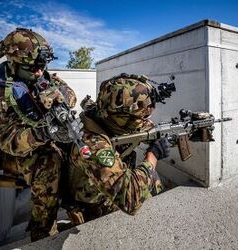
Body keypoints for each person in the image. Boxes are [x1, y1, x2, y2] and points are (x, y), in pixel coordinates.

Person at [0, 28, 76, 241]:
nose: (38, 73)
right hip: (13, 154)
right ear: (12, 62)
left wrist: (60, 98)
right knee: (49, 162)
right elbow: (4, 138)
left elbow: (70, 93)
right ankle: (43, 231)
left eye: (42, 67)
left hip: (43, 136)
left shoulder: (41, 73)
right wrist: (41, 133)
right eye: (31, 68)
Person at [67, 73, 170, 224]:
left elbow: (144, 126)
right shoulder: (92, 144)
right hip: (94, 206)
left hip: (102, 187)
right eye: (140, 118)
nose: (143, 122)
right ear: (120, 117)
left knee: (151, 180)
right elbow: (130, 200)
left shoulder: (105, 113)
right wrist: (153, 155)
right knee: (148, 181)